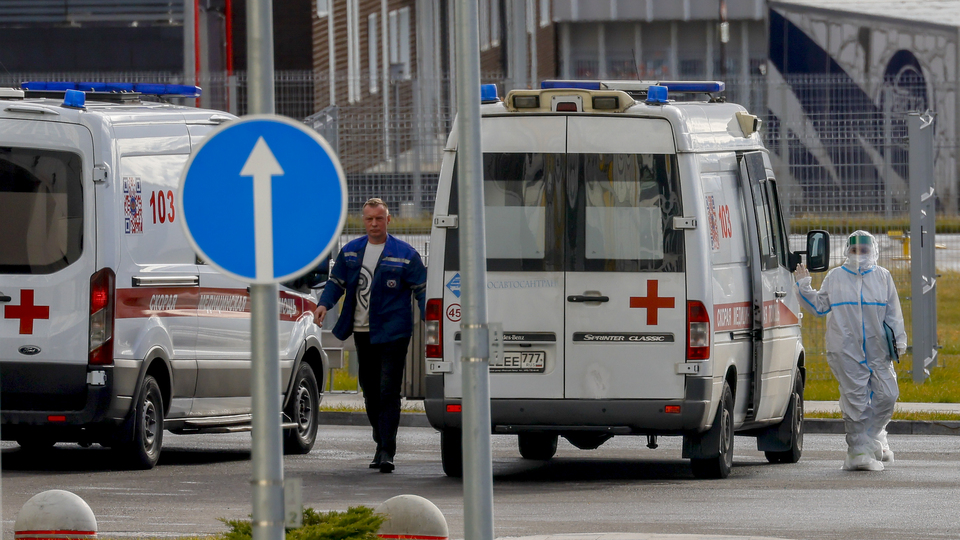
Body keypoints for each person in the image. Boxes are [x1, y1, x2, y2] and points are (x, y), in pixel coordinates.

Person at [314, 198, 426, 473]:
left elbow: (423, 289)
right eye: (369, 219)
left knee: (388, 391)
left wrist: (431, 317)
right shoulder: (351, 252)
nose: (374, 224)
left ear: (389, 220)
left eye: (379, 218)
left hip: (393, 333)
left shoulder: (405, 254)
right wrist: (323, 304)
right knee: (370, 391)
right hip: (363, 333)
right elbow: (336, 282)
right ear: (363, 221)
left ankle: (387, 450)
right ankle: (380, 441)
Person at [795, 230, 907, 471]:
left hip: (877, 350)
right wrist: (803, 286)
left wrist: (899, 340)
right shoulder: (836, 277)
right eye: (854, 250)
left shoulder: (883, 277)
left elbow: (893, 313)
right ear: (847, 251)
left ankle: (873, 437)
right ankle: (858, 453)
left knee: (888, 395)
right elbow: (820, 306)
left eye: (864, 250)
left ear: (873, 251)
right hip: (845, 349)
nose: (859, 255)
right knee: (855, 401)